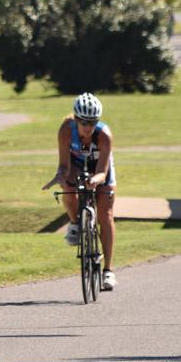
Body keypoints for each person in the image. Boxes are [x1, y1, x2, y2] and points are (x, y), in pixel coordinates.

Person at [42, 92, 117, 290]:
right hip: (76, 163)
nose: (88, 127)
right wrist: (60, 176)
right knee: (66, 186)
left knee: (106, 213)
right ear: (75, 119)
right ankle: (75, 222)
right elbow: (64, 165)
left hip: (100, 169)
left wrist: (94, 180)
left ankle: (108, 270)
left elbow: (102, 171)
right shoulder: (66, 130)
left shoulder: (104, 136)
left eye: (93, 122)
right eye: (84, 122)